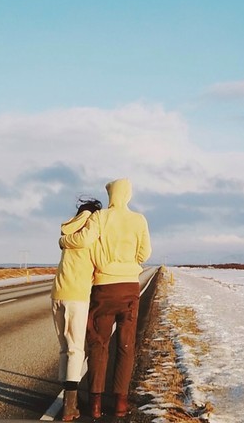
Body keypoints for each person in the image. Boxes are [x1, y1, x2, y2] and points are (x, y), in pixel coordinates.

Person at [85, 178, 151, 419]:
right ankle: (121, 403)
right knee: (125, 344)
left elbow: (89, 246)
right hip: (129, 287)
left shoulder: (99, 217)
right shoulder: (138, 220)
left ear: (110, 194)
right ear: (128, 195)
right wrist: (130, 262)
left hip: (103, 287)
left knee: (98, 344)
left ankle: (94, 404)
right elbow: (145, 252)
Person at [51, 196, 102, 422]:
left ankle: (68, 400)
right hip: (77, 296)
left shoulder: (68, 232)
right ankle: (70, 406)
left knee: (64, 349)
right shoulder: (90, 233)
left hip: (57, 294)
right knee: (76, 350)